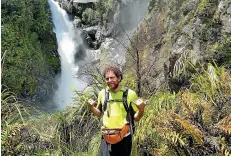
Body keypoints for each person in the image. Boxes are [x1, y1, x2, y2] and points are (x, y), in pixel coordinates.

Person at [88, 66, 146, 156]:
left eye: (112, 77)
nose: (109, 80)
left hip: (124, 138)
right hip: (106, 137)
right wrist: (92, 108)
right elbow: (99, 113)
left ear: (119, 78)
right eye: (107, 78)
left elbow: (136, 118)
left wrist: (141, 110)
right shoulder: (102, 93)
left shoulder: (130, 94)